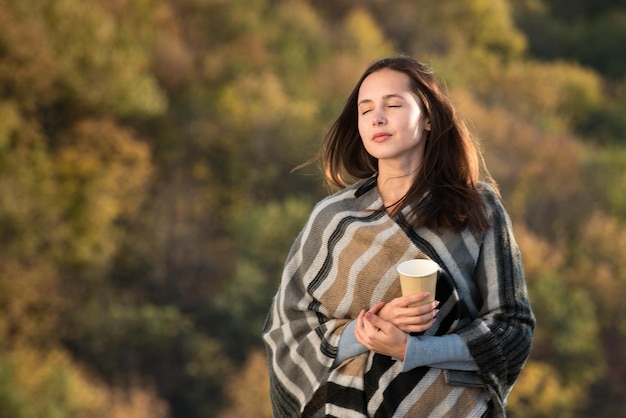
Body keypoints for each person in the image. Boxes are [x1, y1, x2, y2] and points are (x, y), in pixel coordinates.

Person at [262, 56, 535, 417]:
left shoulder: (478, 208)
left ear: (428, 119)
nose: (377, 117)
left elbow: (512, 328)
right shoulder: (332, 219)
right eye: (366, 109)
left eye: (392, 105)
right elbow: (289, 331)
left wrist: (415, 350)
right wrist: (367, 331)